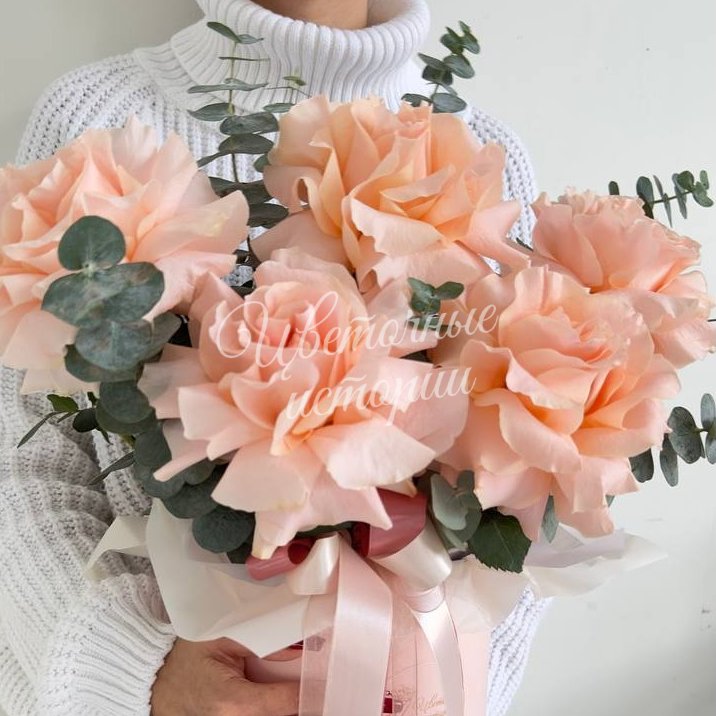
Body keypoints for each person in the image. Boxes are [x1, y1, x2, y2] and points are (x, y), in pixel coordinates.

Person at [1, 1, 546, 714]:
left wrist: (455, 690)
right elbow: (23, 456)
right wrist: (133, 673)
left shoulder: (482, 152)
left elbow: (534, 494)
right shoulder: (100, 120)